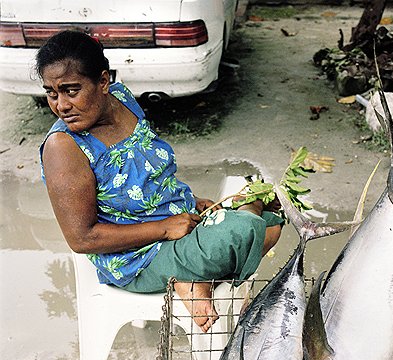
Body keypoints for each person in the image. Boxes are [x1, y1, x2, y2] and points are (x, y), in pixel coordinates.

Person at [36, 30, 283, 333]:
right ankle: (188, 277)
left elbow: (149, 172)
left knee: (272, 223)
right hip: (137, 256)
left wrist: (190, 203)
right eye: (52, 93)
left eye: (71, 91)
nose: (61, 105)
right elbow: (82, 239)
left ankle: (195, 277)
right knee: (245, 229)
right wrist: (164, 228)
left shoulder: (122, 100)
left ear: (103, 82)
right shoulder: (64, 147)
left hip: (179, 221)